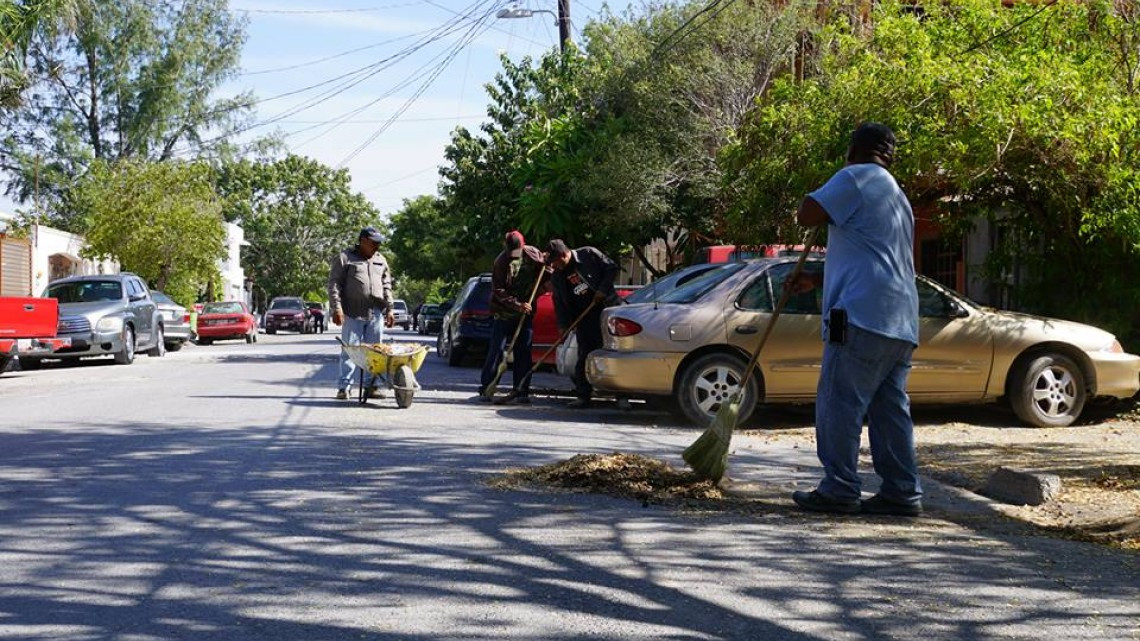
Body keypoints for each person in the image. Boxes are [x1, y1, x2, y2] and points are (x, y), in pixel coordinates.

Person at [789, 122, 923, 517]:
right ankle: (902, 490)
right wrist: (814, 279)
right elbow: (874, 256)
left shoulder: (855, 177)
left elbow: (806, 213)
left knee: (839, 402)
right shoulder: (898, 196)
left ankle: (840, 487)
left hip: (860, 315)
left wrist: (823, 190)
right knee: (889, 410)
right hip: (899, 317)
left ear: (852, 150)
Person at [545, 239, 620, 408]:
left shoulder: (589, 254)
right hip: (584, 317)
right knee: (584, 354)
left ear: (564, 255)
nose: (554, 266)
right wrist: (563, 326)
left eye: (556, 262)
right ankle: (583, 394)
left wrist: (602, 289)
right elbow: (559, 302)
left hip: (608, 310)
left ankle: (621, 395)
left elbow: (612, 268)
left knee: (614, 354)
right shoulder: (558, 275)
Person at [477, 230, 547, 404]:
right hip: (504, 313)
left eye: (517, 250)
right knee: (497, 351)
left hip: (527, 312)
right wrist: (517, 305)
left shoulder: (533, 254)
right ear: (506, 247)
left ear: (523, 246)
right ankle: (487, 387)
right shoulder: (501, 261)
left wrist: (540, 288)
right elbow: (499, 290)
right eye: (512, 251)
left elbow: (547, 272)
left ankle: (522, 390)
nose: (514, 254)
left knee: (524, 351)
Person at [328, 226, 395, 400]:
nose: (377, 246)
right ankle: (344, 387)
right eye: (374, 243)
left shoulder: (381, 260)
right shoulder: (345, 258)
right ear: (363, 240)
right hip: (352, 312)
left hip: (376, 312)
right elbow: (334, 285)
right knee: (350, 351)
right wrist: (337, 308)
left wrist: (390, 309)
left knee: (376, 351)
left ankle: (371, 386)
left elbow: (387, 286)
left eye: (379, 243)